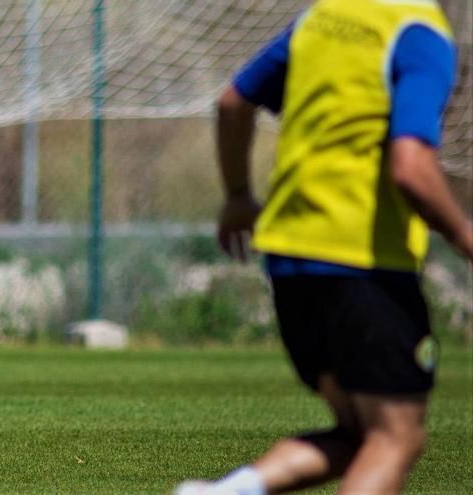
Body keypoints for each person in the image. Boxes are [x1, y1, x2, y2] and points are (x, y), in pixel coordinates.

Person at [176, 0, 473, 493]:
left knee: (362, 437)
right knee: (396, 437)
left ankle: (230, 490)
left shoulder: (321, 19)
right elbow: (411, 165)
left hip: (289, 256)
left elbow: (233, 102)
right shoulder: (420, 34)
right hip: (361, 258)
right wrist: (465, 237)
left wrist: (236, 197)